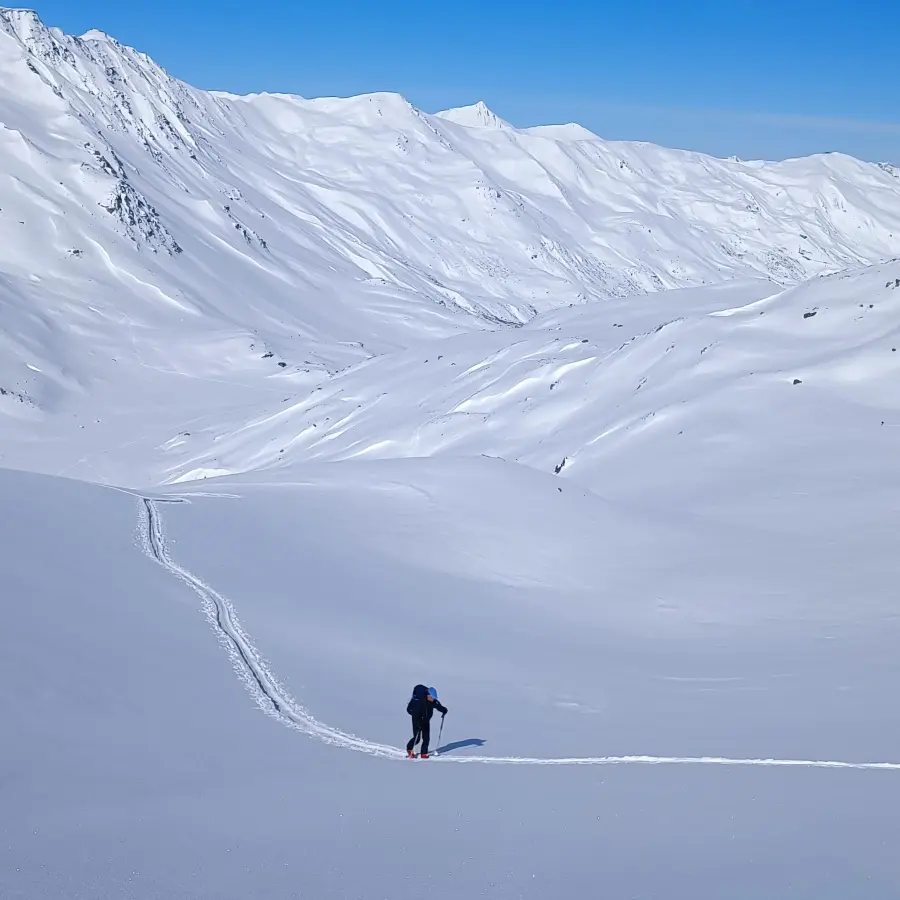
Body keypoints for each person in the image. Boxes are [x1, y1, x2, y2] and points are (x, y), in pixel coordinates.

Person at [406, 684, 448, 758]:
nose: (433, 699)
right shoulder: (419, 701)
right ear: (428, 695)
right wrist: (418, 723)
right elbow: (414, 712)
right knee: (417, 738)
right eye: (432, 697)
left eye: (434, 698)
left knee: (426, 738)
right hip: (417, 719)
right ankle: (409, 748)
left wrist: (444, 710)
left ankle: (424, 753)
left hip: (425, 720)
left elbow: (438, 706)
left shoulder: (433, 702)